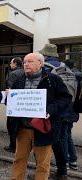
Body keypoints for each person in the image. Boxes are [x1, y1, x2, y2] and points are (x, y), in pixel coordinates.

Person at [7, 53, 71, 180]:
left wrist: (49, 111)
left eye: (30, 61)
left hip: (43, 130)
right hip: (23, 129)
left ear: (40, 63)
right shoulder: (19, 80)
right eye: (25, 62)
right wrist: (8, 95)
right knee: (19, 160)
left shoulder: (53, 80)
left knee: (42, 164)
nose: (26, 64)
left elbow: (65, 98)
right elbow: (11, 103)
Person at [39, 44, 74, 179]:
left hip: (49, 113)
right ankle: (62, 171)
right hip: (66, 111)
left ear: (45, 56)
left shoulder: (46, 68)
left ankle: (43, 173)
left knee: (45, 143)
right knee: (61, 141)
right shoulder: (66, 68)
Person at [4, 57, 24, 153]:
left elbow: (10, 88)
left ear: (15, 63)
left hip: (13, 104)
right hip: (22, 103)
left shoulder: (12, 74)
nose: (10, 64)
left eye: (11, 63)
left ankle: (12, 146)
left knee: (11, 125)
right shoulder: (24, 72)